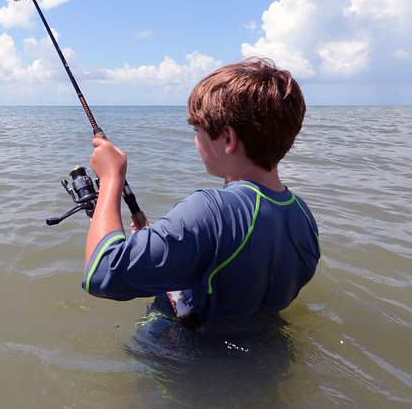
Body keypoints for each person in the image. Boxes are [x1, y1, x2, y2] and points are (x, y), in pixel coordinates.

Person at [82, 57, 319, 325]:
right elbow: (231, 274)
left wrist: (112, 178)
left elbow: (101, 274)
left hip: (182, 359)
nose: (195, 140)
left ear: (228, 139)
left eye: (198, 130)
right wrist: (156, 245)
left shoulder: (210, 211)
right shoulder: (303, 216)